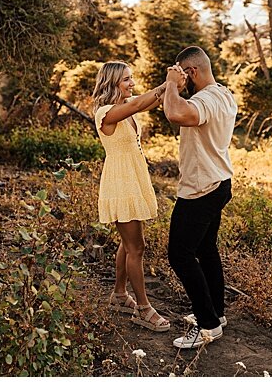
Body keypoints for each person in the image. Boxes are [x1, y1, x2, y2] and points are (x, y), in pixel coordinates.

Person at [161, 46, 237, 349]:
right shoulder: (223, 93)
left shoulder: (204, 100)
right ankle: (216, 315)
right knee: (205, 249)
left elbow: (175, 113)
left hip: (201, 188)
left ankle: (207, 325)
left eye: (184, 76)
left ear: (191, 72)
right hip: (219, 182)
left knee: (179, 254)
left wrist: (170, 84)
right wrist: (170, 85)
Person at [91, 61, 172, 332]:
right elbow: (139, 104)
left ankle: (118, 294)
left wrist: (170, 85)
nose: (132, 83)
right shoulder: (106, 112)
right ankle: (143, 308)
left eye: (132, 78)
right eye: (126, 79)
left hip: (132, 180)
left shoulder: (126, 106)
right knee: (137, 248)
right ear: (112, 82)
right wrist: (168, 82)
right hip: (121, 184)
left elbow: (146, 101)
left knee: (128, 243)